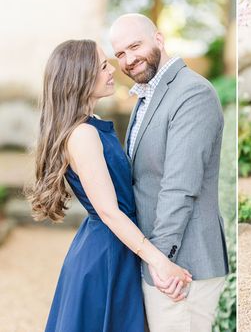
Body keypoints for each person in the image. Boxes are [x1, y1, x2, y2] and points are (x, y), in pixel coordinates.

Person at [28, 39, 191, 331]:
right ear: (81, 78)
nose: (112, 69)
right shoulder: (82, 135)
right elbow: (109, 212)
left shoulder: (91, 123)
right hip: (107, 253)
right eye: (103, 65)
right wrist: (161, 262)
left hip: (114, 244)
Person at [109, 14, 229, 331]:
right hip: (159, 262)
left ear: (159, 39)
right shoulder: (145, 96)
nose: (129, 59)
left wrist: (160, 262)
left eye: (135, 46)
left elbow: (180, 187)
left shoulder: (192, 94)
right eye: (120, 53)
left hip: (182, 267)